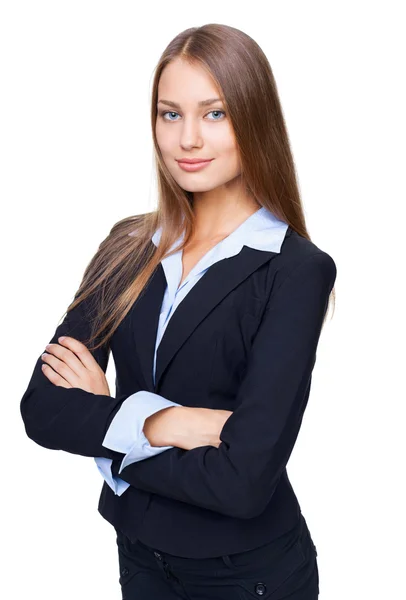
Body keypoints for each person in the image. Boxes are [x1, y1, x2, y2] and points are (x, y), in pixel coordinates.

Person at [20, 23, 337, 599]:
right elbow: (42, 409)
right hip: (140, 560)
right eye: (171, 114)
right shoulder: (128, 245)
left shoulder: (296, 270)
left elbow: (245, 481)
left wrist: (112, 432)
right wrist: (171, 424)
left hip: (250, 575)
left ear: (254, 119)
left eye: (214, 113)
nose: (188, 138)